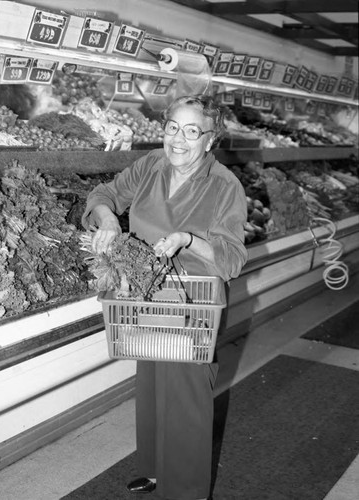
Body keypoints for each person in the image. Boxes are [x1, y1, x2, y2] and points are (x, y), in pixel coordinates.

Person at [82, 94, 248, 500]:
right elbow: (105, 195)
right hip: (145, 295)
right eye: (173, 127)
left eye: (192, 132)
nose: (179, 139)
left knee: (186, 393)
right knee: (153, 380)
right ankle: (154, 469)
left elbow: (232, 257)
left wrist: (188, 240)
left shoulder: (225, 186)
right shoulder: (151, 165)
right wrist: (107, 220)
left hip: (194, 303)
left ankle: (186, 491)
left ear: (210, 140)